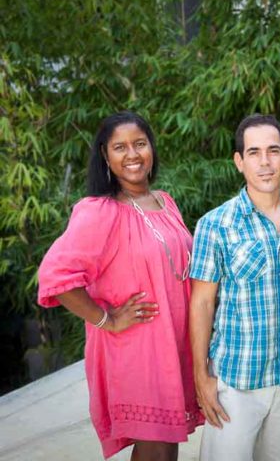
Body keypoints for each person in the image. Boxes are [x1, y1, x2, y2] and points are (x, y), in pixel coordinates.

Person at [38, 111, 202, 460]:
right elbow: (55, 276)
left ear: (151, 149)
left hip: (173, 346)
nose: (132, 154)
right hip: (136, 350)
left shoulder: (165, 202)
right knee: (156, 450)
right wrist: (106, 319)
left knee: (163, 449)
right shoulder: (100, 211)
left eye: (140, 144)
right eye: (120, 147)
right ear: (105, 156)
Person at [189, 114, 280, 461]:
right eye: (253, 152)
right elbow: (202, 303)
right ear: (239, 161)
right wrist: (201, 375)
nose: (265, 162)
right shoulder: (215, 225)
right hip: (235, 381)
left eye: (273, 151)